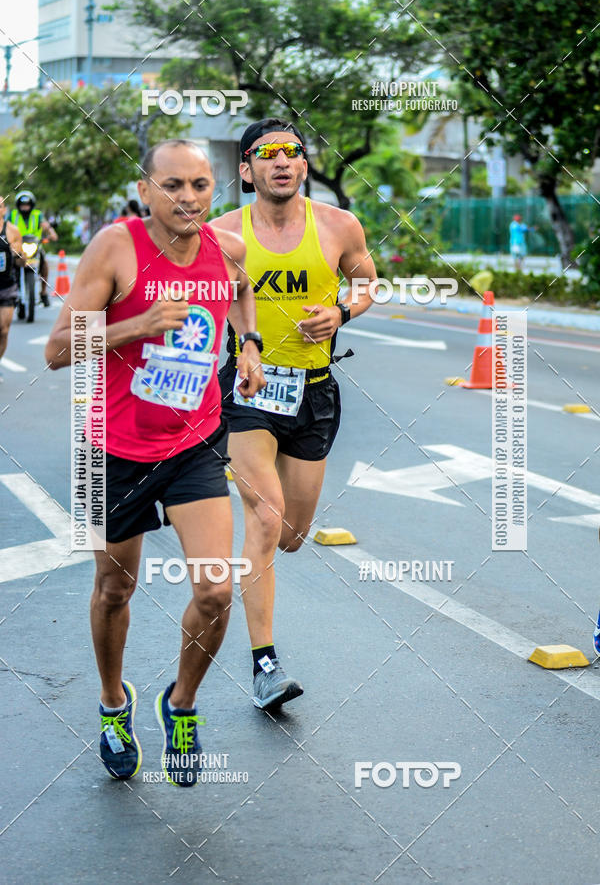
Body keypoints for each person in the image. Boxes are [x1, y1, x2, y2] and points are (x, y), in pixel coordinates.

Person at [45, 139, 265, 786]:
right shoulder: (116, 247)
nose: (189, 198)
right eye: (173, 185)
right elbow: (58, 349)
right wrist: (133, 327)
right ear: (146, 190)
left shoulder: (228, 249)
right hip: (114, 451)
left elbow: (242, 292)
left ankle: (183, 706)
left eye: (200, 185)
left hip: (195, 443)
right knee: (116, 588)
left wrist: (247, 344)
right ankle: (115, 705)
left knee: (217, 589)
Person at [211, 118, 376, 711]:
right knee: (262, 519)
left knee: (291, 535)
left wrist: (342, 312)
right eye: (268, 153)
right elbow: (219, 293)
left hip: (314, 392)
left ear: (304, 166)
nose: (282, 161)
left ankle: (265, 615)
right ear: (246, 169)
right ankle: (265, 665)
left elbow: (366, 282)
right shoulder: (224, 233)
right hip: (249, 390)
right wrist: (246, 341)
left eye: (293, 152)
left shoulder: (337, 225)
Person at [10, 190, 58, 306]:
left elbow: (45, 225)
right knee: (9, 264)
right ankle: (11, 292)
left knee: (44, 263)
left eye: (27, 205)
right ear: (18, 206)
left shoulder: (37, 215)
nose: (25, 207)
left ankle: (43, 292)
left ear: (31, 205)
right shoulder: (13, 215)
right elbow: (6, 226)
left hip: (35, 245)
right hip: (18, 247)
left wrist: (51, 233)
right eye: (22, 205)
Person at [0, 195, 25, 381]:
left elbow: (21, 262)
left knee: (4, 330)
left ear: (4, 210)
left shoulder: (12, 231)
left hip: (7, 285)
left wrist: (21, 257)